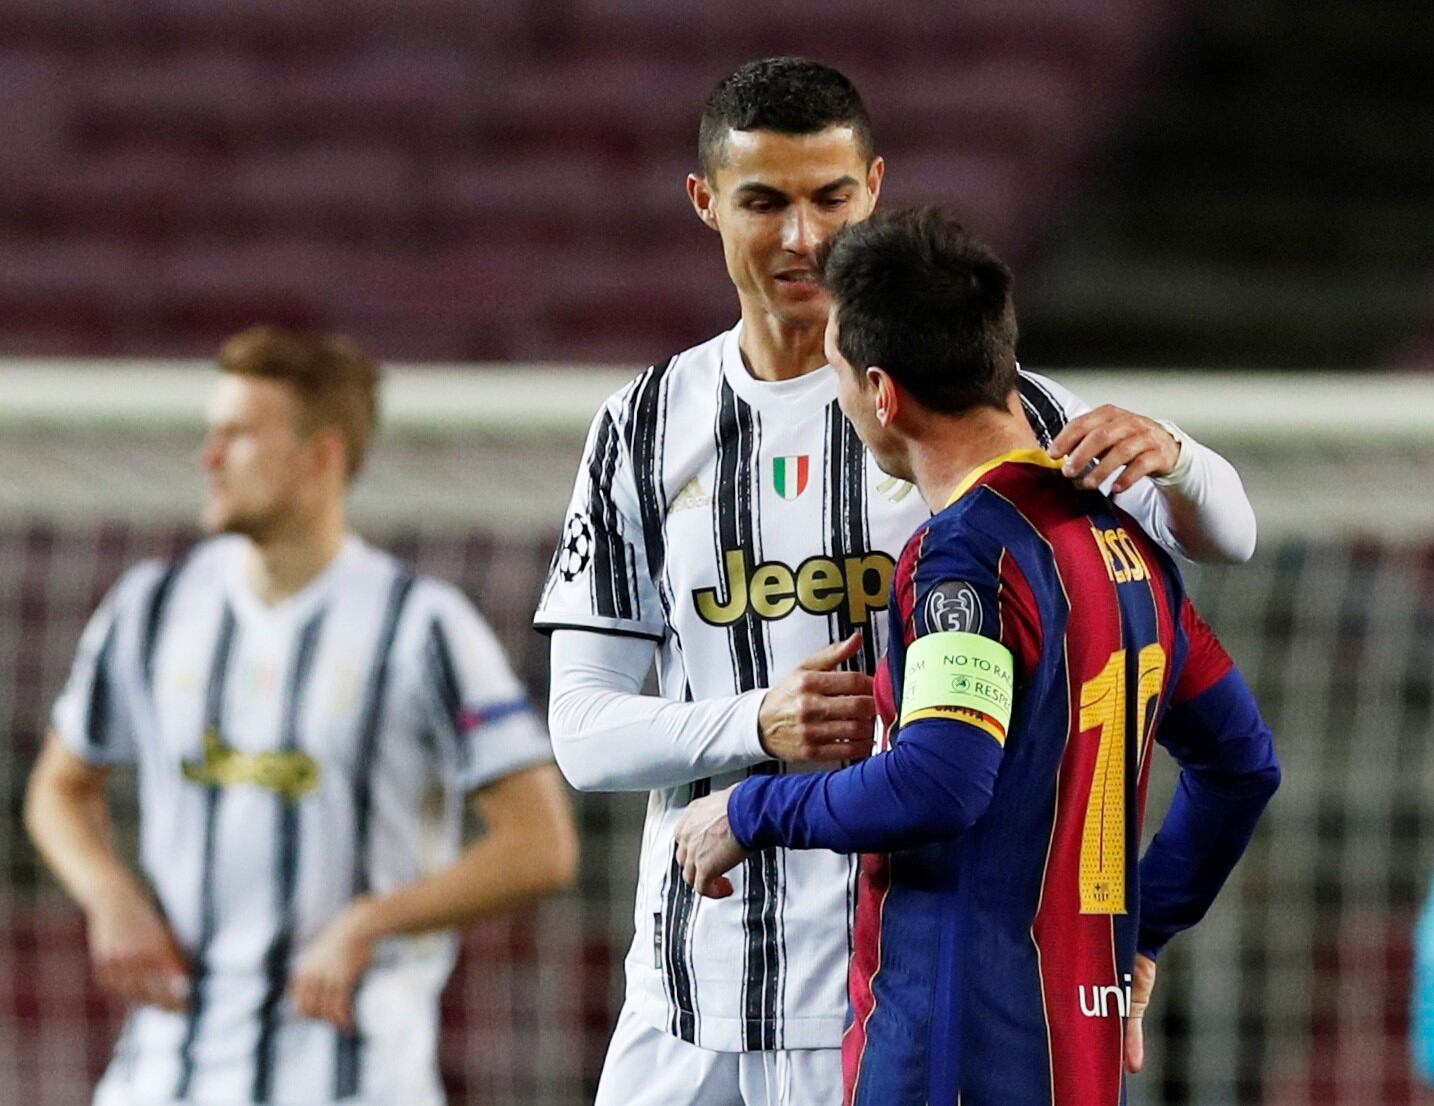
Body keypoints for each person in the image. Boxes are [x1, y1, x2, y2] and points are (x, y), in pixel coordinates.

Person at [535, 56, 1259, 1106]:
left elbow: (1225, 536)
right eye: (764, 202)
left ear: (874, 186)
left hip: (882, 998)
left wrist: (1182, 457)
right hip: (687, 984)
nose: (803, 237)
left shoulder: (990, 410)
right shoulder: (642, 427)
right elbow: (582, 730)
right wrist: (756, 722)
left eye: (830, 197)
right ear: (705, 204)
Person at [673, 207, 1282, 1104]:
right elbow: (1242, 766)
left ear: (881, 392)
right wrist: (1140, 931)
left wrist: (750, 810)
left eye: (837, 371)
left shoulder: (966, 554)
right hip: (1078, 1038)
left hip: (957, 1039)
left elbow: (941, 781)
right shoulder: (1124, 547)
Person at [24, 326, 578, 1106]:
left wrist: (372, 921)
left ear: (321, 455)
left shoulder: (419, 626)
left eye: (239, 435)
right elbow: (59, 787)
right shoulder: (148, 608)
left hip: (353, 1072)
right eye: (211, 434)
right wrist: (107, 892)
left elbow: (540, 846)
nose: (207, 458)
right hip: (162, 1069)